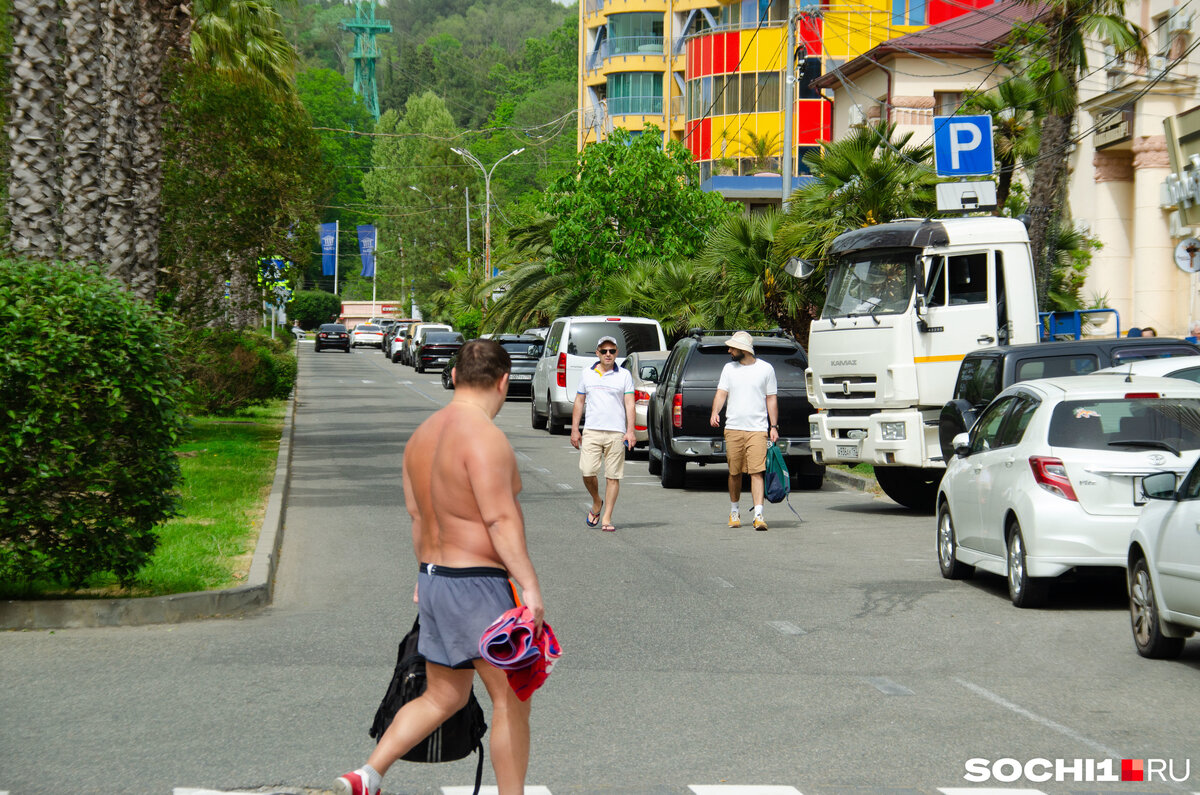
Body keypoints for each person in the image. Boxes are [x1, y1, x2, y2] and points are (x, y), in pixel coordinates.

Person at [335, 339, 546, 795]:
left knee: (444, 695)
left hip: (434, 578)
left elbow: (417, 515)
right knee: (510, 699)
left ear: (453, 377)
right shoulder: (485, 437)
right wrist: (529, 586)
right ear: (504, 381)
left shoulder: (421, 437)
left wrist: (422, 573)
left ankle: (367, 775)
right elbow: (499, 517)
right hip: (477, 583)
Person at [709, 331, 779, 531]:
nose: (729, 350)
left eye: (732, 347)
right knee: (735, 472)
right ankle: (734, 510)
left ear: (743, 350)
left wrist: (773, 426)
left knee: (757, 471)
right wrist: (715, 412)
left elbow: (771, 398)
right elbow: (722, 393)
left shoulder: (766, 369)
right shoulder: (728, 369)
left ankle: (758, 515)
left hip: (757, 429)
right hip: (733, 428)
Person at [570, 335, 636, 533]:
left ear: (616, 353)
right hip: (592, 430)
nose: (608, 354)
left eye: (612, 351)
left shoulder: (624, 375)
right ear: (597, 352)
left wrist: (630, 431)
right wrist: (575, 429)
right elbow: (579, 401)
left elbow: (629, 403)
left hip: (616, 432)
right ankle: (597, 501)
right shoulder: (587, 374)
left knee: (613, 476)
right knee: (588, 471)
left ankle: (607, 517)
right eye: (604, 351)